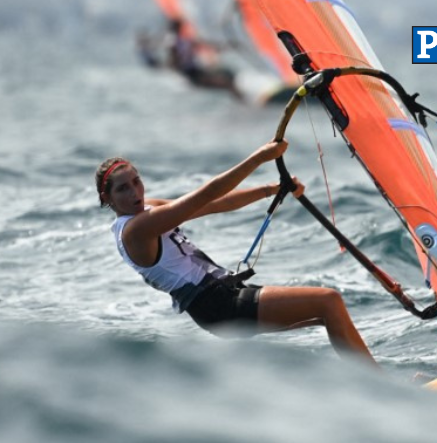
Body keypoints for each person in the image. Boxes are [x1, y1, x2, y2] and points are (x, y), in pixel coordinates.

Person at [96, 141, 376, 365]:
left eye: (136, 181)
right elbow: (206, 194)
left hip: (223, 297)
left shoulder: (146, 211)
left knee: (326, 312)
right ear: (107, 198)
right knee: (328, 301)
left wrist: (271, 189)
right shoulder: (136, 230)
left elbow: (214, 204)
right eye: (123, 188)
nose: (135, 191)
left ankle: (372, 385)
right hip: (217, 305)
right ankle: (378, 387)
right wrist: (259, 157)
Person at [163, 17, 242, 99]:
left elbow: (207, 45)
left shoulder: (187, 41)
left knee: (228, 73)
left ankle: (242, 97)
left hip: (195, 71)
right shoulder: (175, 44)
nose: (188, 28)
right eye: (185, 26)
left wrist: (227, 46)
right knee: (226, 82)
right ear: (180, 29)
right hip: (189, 76)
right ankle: (242, 100)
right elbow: (172, 61)